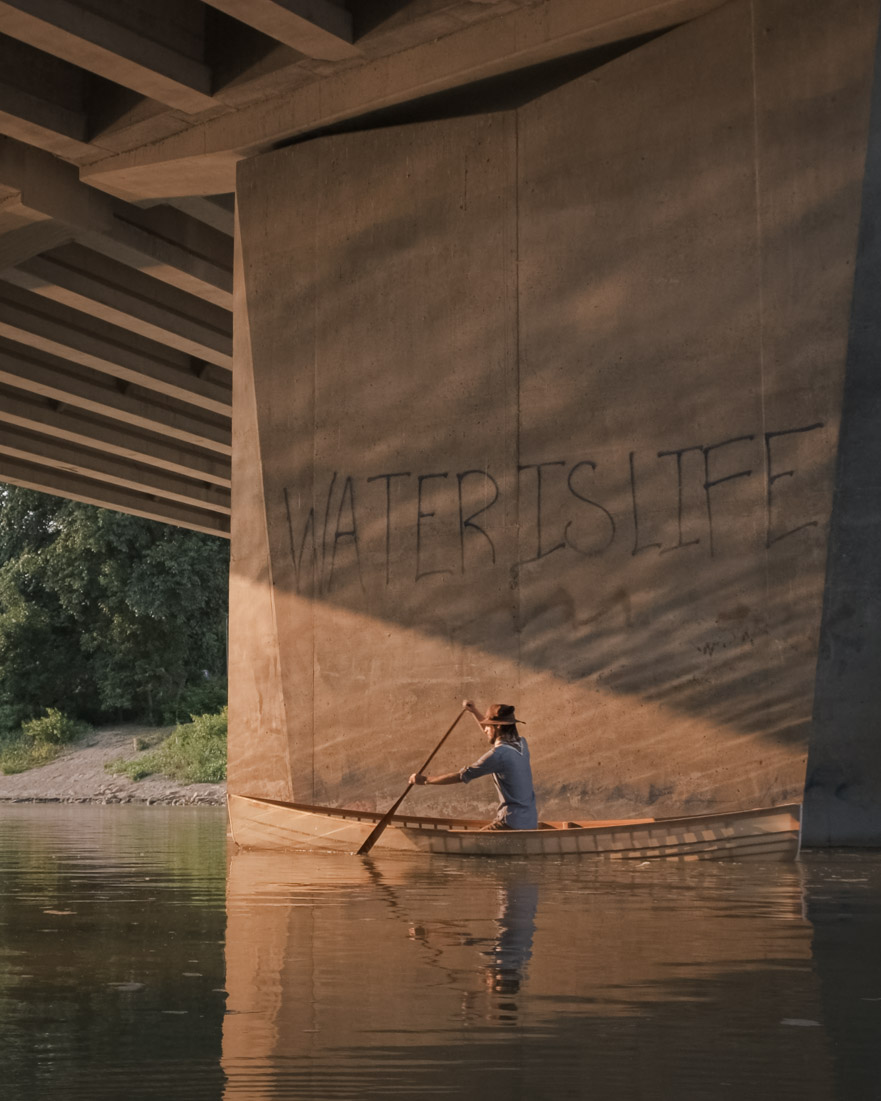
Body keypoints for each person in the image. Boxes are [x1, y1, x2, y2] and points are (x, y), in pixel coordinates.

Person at [409, 700, 538, 830]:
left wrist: (425, 780)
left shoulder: (497, 755)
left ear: (498, 727)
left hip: (511, 822)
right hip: (530, 822)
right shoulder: (522, 744)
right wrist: (474, 711)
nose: (485, 729)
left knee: (472, 842)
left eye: (488, 725)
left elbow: (462, 776)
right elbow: (492, 735)